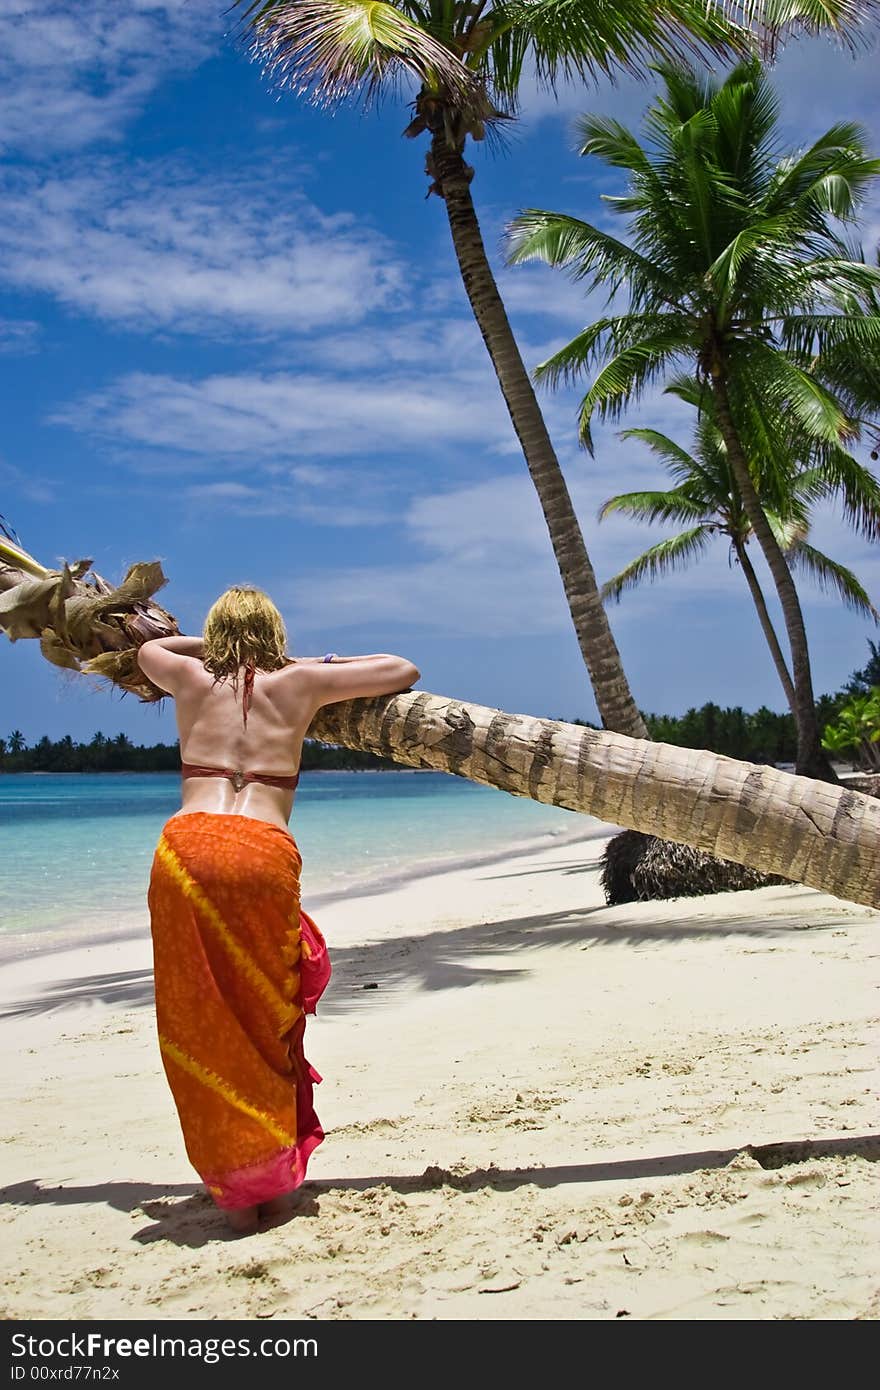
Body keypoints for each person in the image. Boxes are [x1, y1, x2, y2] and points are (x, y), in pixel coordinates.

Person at [136, 585, 420, 1235]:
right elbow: (403, 668)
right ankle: (275, 1179)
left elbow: (151, 648)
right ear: (277, 632)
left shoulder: (185, 673)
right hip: (259, 853)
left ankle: (237, 1194)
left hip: (187, 851)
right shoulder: (299, 683)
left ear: (214, 634)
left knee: (201, 1022)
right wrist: (324, 661)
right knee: (268, 1021)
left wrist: (209, 646)